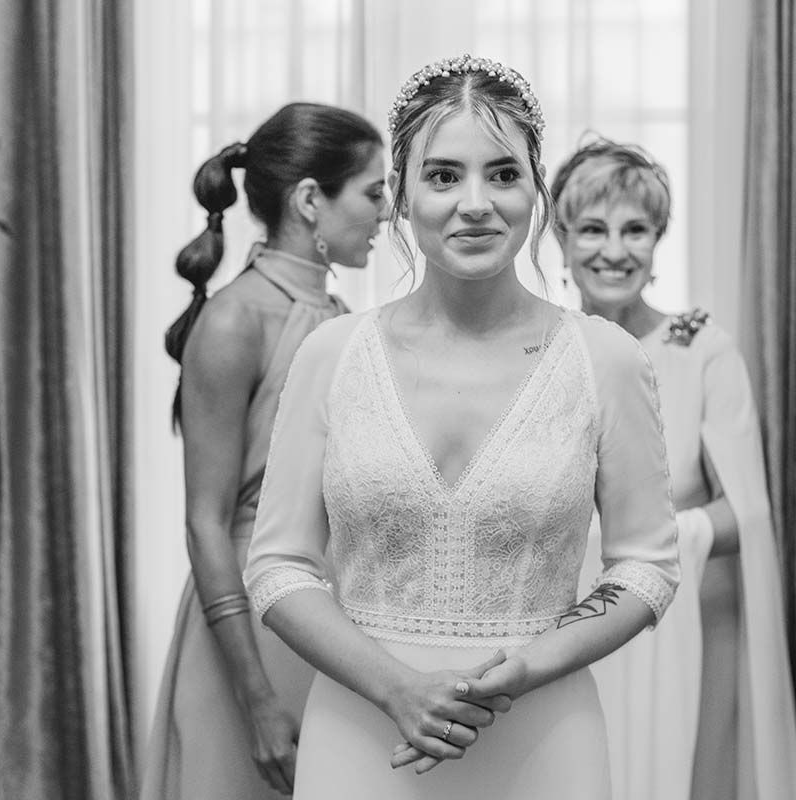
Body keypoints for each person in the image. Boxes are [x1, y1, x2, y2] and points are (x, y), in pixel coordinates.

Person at [240, 55, 680, 800]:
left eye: (503, 174)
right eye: (443, 176)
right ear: (401, 198)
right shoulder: (332, 355)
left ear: (536, 191)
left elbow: (646, 566)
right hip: (361, 735)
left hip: (543, 738)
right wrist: (394, 688)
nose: (475, 203)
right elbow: (278, 566)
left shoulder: (605, 359)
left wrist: (531, 666)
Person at [140, 102, 387, 800]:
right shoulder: (232, 321)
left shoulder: (346, 324)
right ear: (310, 199)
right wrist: (255, 699)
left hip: (332, 623)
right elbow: (205, 521)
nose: (388, 213)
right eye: (374, 193)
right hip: (248, 631)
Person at [551, 137, 796, 800]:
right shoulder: (540, 348)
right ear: (561, 238)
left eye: (635, 229)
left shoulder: (702, 350)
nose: (615, 249)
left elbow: (746, 510)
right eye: (593, 229)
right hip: (561, 626)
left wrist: (653, 547)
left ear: (659, 238)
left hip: (682, 618)